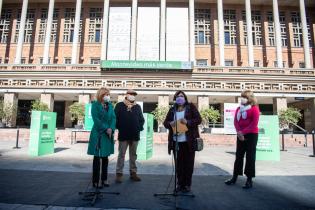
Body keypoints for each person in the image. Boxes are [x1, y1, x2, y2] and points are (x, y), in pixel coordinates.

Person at [163, 90, 202, 193]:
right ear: (175, 99)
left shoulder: (191, 107)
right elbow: (165, 123)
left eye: (182, 96)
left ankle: (187, 185)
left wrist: (188, 122)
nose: (180, 98)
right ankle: (179, 184)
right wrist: (170, 123)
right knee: (179, 165)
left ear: (185, 98)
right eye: (178, 96)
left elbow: (199, 119)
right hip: (176, 141)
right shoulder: (172, 110)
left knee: (189, 164)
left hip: (189, 141)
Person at [225, 90, 260, 189]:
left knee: (250, 157)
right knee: (239, 156)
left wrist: (242, 132)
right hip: (240, 135)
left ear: (250, 99)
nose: (242, 98)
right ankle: (234, 177)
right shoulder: (238, 109)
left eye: (244, 97)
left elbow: (254, 124)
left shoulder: (254, 109)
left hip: (251, 135)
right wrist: (239, 132)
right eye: (241, 97)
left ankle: (249, 180)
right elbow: (236, 121)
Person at [87, 87, 115, 188]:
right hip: (98, 134)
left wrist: (111, 128)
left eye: (108, 94)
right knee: (97, 158)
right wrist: (106, 128)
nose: (108, 96)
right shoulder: (95, 105)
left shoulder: (110, 106)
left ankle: (104, 179)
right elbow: (96, 120)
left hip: (108, 134)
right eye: (105, 94)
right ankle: (95, 181)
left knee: (105, 158)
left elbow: (113, 118)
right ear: (101, 95)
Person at [115, 89, 145, 183]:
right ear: (126, 94)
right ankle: (119, 173)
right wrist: (121, 127)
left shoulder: (137, 106)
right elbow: (115, 118)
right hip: (123, 134)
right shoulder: (119, 105)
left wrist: (138, 128)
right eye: (131, 94)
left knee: (133, 155)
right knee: (121, 155)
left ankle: (133, 173)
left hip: (135, 135)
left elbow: (141, 120)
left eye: (134, 94)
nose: (132, 95)